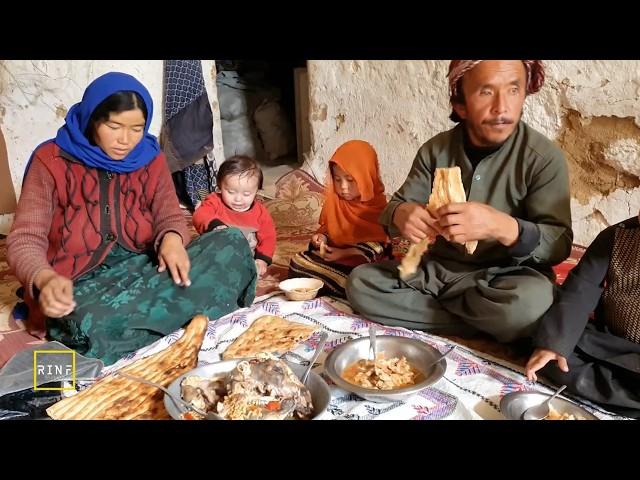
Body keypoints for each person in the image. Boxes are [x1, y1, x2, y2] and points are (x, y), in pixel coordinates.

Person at [7, 72, 257, 365]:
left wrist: (173, 240)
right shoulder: (50, 161)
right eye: (114, 126)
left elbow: (169, 215)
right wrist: (44, 278)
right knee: (88, 320)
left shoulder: (149, 157)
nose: (126, 140)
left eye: (137, 128)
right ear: (92, 119)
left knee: (230, 242)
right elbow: (25, 239)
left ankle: (151, 320)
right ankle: (178, 314)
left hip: (145, 268)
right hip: (80, 285)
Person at [346, 60, 573, 343]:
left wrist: (503, 228)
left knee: (530, 304)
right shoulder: (434, 151)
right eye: (486, 92)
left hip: (504, 278)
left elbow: (559, 243)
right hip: (438, 272)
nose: (502, 107)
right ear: (460, 104)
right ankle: (484, 324)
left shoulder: (543, 159)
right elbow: (398, 204)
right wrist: (401, 214)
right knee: (360, 283)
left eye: (513, 90)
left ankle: (452, 316)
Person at [525, 213, 640, 417]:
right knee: (544, 337)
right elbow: (580, 289)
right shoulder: (616, 236)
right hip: (606, 343)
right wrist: (554, 344)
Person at [288, 140, 389, 298]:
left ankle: (353, 287)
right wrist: (321, 239)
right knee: (298, 262)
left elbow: (380, 246)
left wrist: (344, 254)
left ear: (366, 177)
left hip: (365, 264)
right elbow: (333, 231)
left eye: (350, 180)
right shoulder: (336, 202)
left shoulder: (378, 207)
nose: (343, 187)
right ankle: (348, 287)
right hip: (339, 263)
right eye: (337, 179)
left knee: (370, 277)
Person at [192, 155, 276, 278]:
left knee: (249, 272)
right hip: (214, 251)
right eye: (230, 192)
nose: (238, 199)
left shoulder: (260, 212)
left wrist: (262, 260)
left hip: (244, 256)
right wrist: (215, 226)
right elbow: (200, 215)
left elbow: (269, 238)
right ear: (220, 186)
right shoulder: (214, 201)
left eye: (246, 194)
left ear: (257, 191)